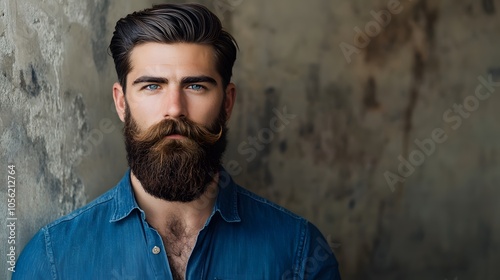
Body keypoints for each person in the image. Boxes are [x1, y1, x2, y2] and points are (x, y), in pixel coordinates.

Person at [13, 3, 341, 279]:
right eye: (152, 86)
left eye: (195, 86)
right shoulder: (52, 260)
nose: (174, 109)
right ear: (121, 103)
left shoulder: (300, 254)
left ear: (227, 102)